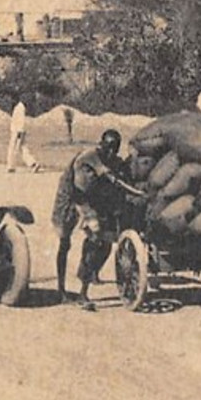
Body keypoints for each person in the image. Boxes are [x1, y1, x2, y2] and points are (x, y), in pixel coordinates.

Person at [50, 129, 130, 308]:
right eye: (108, 149)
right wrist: (89, 218)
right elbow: (81, 192)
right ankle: (64, 290)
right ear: (102, 145)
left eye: (114, 150)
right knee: (66, 243)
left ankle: (89, 277)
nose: (111, 153)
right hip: (71, 199)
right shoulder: (89, 157)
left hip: (91, 199)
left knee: (105, 240)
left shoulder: (111, 159)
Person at [6, 99, 42, 173]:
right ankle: (32, 164)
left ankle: (11, 166)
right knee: (22, 148)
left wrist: (19, 133)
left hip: (18, 131)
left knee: (14, 148)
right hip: (16, 131)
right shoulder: (17, 107)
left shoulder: (20, 107)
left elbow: (21, 121)